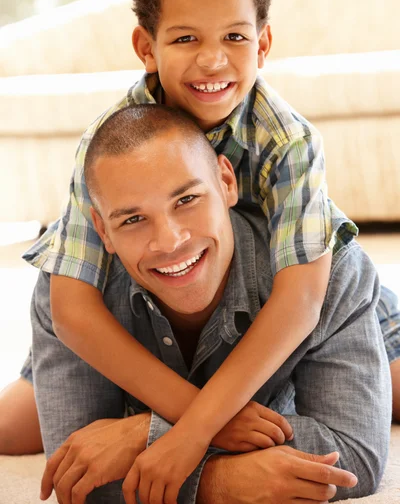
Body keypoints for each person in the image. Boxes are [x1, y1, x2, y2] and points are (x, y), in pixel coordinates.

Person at [0, 0, 399, 463]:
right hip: (160, 311)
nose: (212, 62)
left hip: (302, 310)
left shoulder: (288, 141)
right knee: (14, 431)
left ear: (263, 44)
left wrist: (194, 429)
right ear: (147, 48)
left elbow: (302, 301)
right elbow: (72, 311)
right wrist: (199, 418)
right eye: (186, 39)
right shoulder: (109, 144)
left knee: (369, 402)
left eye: (234, 37)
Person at [32, 104, 391, 504]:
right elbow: (76, 477)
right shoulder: (68, 290)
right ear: (102, 231)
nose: (169, 241)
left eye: (186, 199)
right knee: (15, 427)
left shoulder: (330, 265)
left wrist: (145, 433)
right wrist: (223, 480)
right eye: (133, 220)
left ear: (225, 181)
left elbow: (354, 458)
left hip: (351, 314)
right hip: (107, 339)